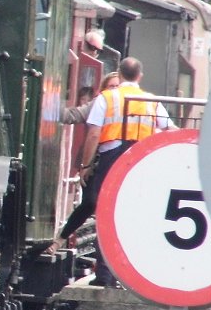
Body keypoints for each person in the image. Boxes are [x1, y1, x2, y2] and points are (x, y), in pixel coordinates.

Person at [49, 58, 171, 285]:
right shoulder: (151, 101)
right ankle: (127, 274)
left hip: (111, 160)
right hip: (139, 162)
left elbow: (94, 134)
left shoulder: (107, 98)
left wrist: (84, 166)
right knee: (128, 216)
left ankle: (106, 275)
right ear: (140, 76)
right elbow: (170, 128)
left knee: (106, 214)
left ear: (121, 75)